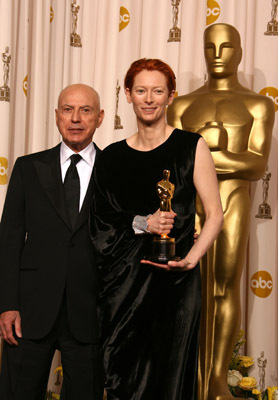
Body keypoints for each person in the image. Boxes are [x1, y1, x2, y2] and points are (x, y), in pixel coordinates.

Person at [90, 58, 223, 399]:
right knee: (123, 377)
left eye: (158, 91)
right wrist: (143, 223)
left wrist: (191, 259)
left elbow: (215, 213)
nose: (149, 98)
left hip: (176, 286)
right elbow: (99, 223)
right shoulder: (112, 157)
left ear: (171, 96)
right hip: (123, 286)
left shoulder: (191, 146)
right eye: (141, 90)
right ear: (128, 95)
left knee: (171, 378)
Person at [167, 23, 274, 400]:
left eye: (227, 46)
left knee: (225, 287)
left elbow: (257, 165)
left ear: (240, 51)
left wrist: (203, 154)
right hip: (186, 204)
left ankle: (215, 382)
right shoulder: (180, 105)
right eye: (210, 46)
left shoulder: (259, 104)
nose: (217, 54)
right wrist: (225, 155)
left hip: (233, 200)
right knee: (186, 289)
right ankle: (190, 380)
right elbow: (173, 164)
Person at [0, 84, 104, 400]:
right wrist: (8, 305)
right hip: (29, 313)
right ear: (56, 116)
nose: (76, 118)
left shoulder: (115, 171)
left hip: (91, 313)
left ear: (100, 118)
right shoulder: (29, 167)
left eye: (85, 110)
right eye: (68, 109)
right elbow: (9, 239)